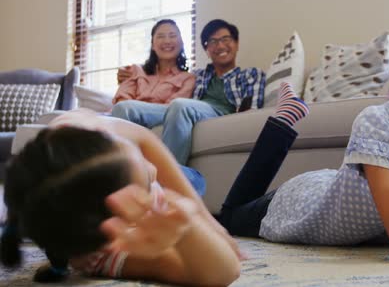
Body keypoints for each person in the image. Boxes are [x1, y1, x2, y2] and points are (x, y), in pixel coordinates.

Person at [216, 11, 389, 263]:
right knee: (228, 218)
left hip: (334, 183)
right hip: (301, 205)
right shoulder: (379, 120)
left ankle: (283, 118)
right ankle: (281, 122)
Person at [0, 82, 306, 286]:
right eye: (147, 182)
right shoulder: (110, 253)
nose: (153, 170)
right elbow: (224, 271)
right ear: (119, 229)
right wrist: (189, 229)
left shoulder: (76, 137)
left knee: (205, 199)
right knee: (209, 195)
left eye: (135, 156)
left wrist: (210, 224)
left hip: (176, 175)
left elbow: (146, 140)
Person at [114, 19, 266, 166]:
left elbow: (251, 109)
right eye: (213, 42)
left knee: (180, 105)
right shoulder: (198, 75)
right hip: (192, 110)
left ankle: (169, 181)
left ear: (236, 43)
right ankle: (115, 176)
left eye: (226, 39)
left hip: (221, 112)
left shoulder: (251, 74)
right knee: (124, 108)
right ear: (207, 50)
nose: (220, 45)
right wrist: (126, 73)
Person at [111, 19, 196, 107]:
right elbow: (121, 102)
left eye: (172, 36)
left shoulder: (188, 79)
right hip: (122, 118)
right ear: (152, 45)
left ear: (181, 44)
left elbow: (172, 111)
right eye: (160, 36)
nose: (167, 41)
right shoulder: (135, 70)